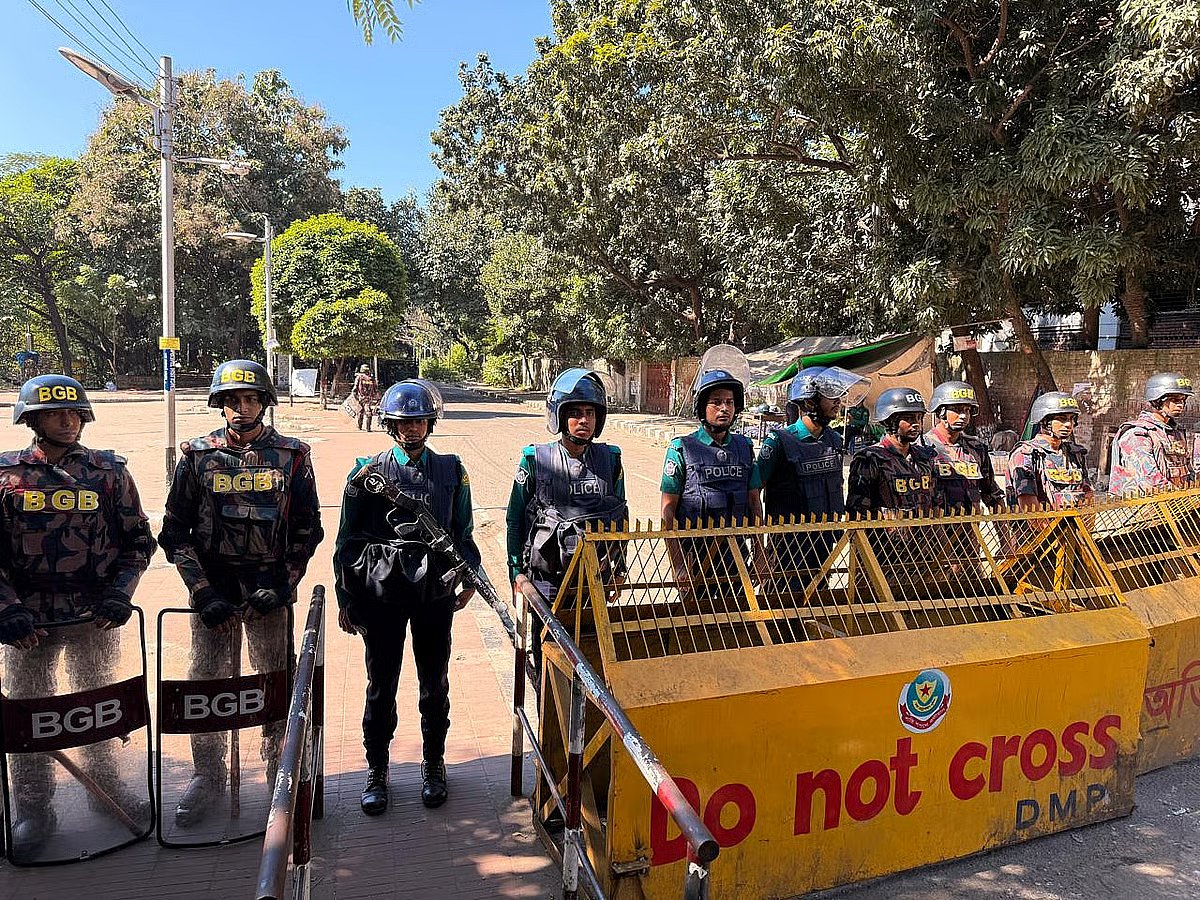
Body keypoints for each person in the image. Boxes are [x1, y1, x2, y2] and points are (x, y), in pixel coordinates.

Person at [159, 359, 323, 827]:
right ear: (220, 404)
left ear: (265, 404)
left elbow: (307, 530)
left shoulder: (293, 456)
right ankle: (207, 776)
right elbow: (175, 533)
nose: (242, 408)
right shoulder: (197, 456)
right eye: (233, 400)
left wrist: (282, 584)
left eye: (251, 399)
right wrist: (203, 592)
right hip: (217, 594)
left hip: (268, 593)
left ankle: (281, 770)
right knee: (206, 687)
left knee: (275, 681)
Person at [0, 374, 156, 854]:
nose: (68, 421)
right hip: (30, 624)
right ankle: (33, 809)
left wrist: (120, 595)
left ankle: (105, 791)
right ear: (33, 419)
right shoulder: (7, 477)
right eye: (54, 414)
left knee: (96, 709)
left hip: (94, 618)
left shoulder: (108, 473)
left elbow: (138, 542)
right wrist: (7, 611)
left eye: (74, 413)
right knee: (31, 718)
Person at [333, 379, 479, 816]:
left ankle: (434, 764)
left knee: (435, 684)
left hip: (434, 593)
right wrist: (347, 597)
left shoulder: (452, 469)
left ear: (430, 423)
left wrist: (469, 576)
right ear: (389, 425)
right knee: (381, 686)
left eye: (418, 421)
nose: (411, 429)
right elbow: (347, 538)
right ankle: (376, 769)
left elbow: (463, 529)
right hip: (383, 596)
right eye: (402, 422)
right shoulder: (366, 470)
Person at [506, 368, 627, 673]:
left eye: (590, 412)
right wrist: (515, 573)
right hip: (547, 580)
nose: (584, 420)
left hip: (593, 579)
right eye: (575, 412)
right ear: (559, 417)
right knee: (546, 654)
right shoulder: (534, 459)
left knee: (591, 657)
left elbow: (620, 517)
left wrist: (619, 569)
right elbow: (515, 518)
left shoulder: (611, 460)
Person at [757, 367, 868, 592]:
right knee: (781, 606)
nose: (838, 402)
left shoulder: (834, 439)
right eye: (831, 396)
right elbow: (753, 492)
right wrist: (760, 549)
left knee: (817, 601)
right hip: (788, 549)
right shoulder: (779, 442)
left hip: (825, 543)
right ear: (809, 402)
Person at [660, 368, 763, 598]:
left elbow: (754, 502)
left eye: (729, 402)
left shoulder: (745, 448)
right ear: (702, 408)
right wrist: (678, 564)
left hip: (736, 558)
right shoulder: (681, 449)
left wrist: (759, 553)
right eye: (716, 402)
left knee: (738, 623)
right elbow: (668, 513)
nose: (724, 408)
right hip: (695, 560)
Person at [846, 388, 937, 516]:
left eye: (919, 417)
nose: (916, 424)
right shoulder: (870, 458)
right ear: (889, 421)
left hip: (924, 534)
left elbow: (934, 501)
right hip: (884, 534)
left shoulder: (924, 456)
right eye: (909, 418)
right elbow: (857, 509)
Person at [920, 381, 1006, 514]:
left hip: (970, 531)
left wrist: (1005, 534)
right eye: (957, 410)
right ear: (941, 412)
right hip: (932, 532)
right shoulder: (921, 448)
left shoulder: (976, 448)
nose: (964, 416)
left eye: (967, 410)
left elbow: (992, 495)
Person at [1109, 372, 1194, 496]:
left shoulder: (1177, 433)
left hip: (1175, 507)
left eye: (1183, 400)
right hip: (1143, 510)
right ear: (1157, 400)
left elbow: (1188, 471)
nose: (1180, 404)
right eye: (1175, 400)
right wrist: (1181, 497)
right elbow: (1149, 479)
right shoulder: (1137, 435)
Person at [1007, 392, 1093, 510]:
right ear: (1044, 421)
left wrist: (1084, 527)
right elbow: (1027, 502)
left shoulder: (1075, 454)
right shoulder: (1026, 454)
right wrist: (1047, 528)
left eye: (1071, 419)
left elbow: (1088, 495)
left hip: (1075, 526)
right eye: (1061, 419)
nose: (1068, 424)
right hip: (1038, 527)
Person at [352, 364, 380, 433]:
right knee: (360, 412)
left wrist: (378, 397)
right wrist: (356, 398)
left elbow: (375, 389)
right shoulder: (359, 377)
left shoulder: (372, 378)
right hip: (361, 398)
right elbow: (355, 389)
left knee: (368, 412)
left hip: (367, 399)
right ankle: (360, 426)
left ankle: (368, 428)